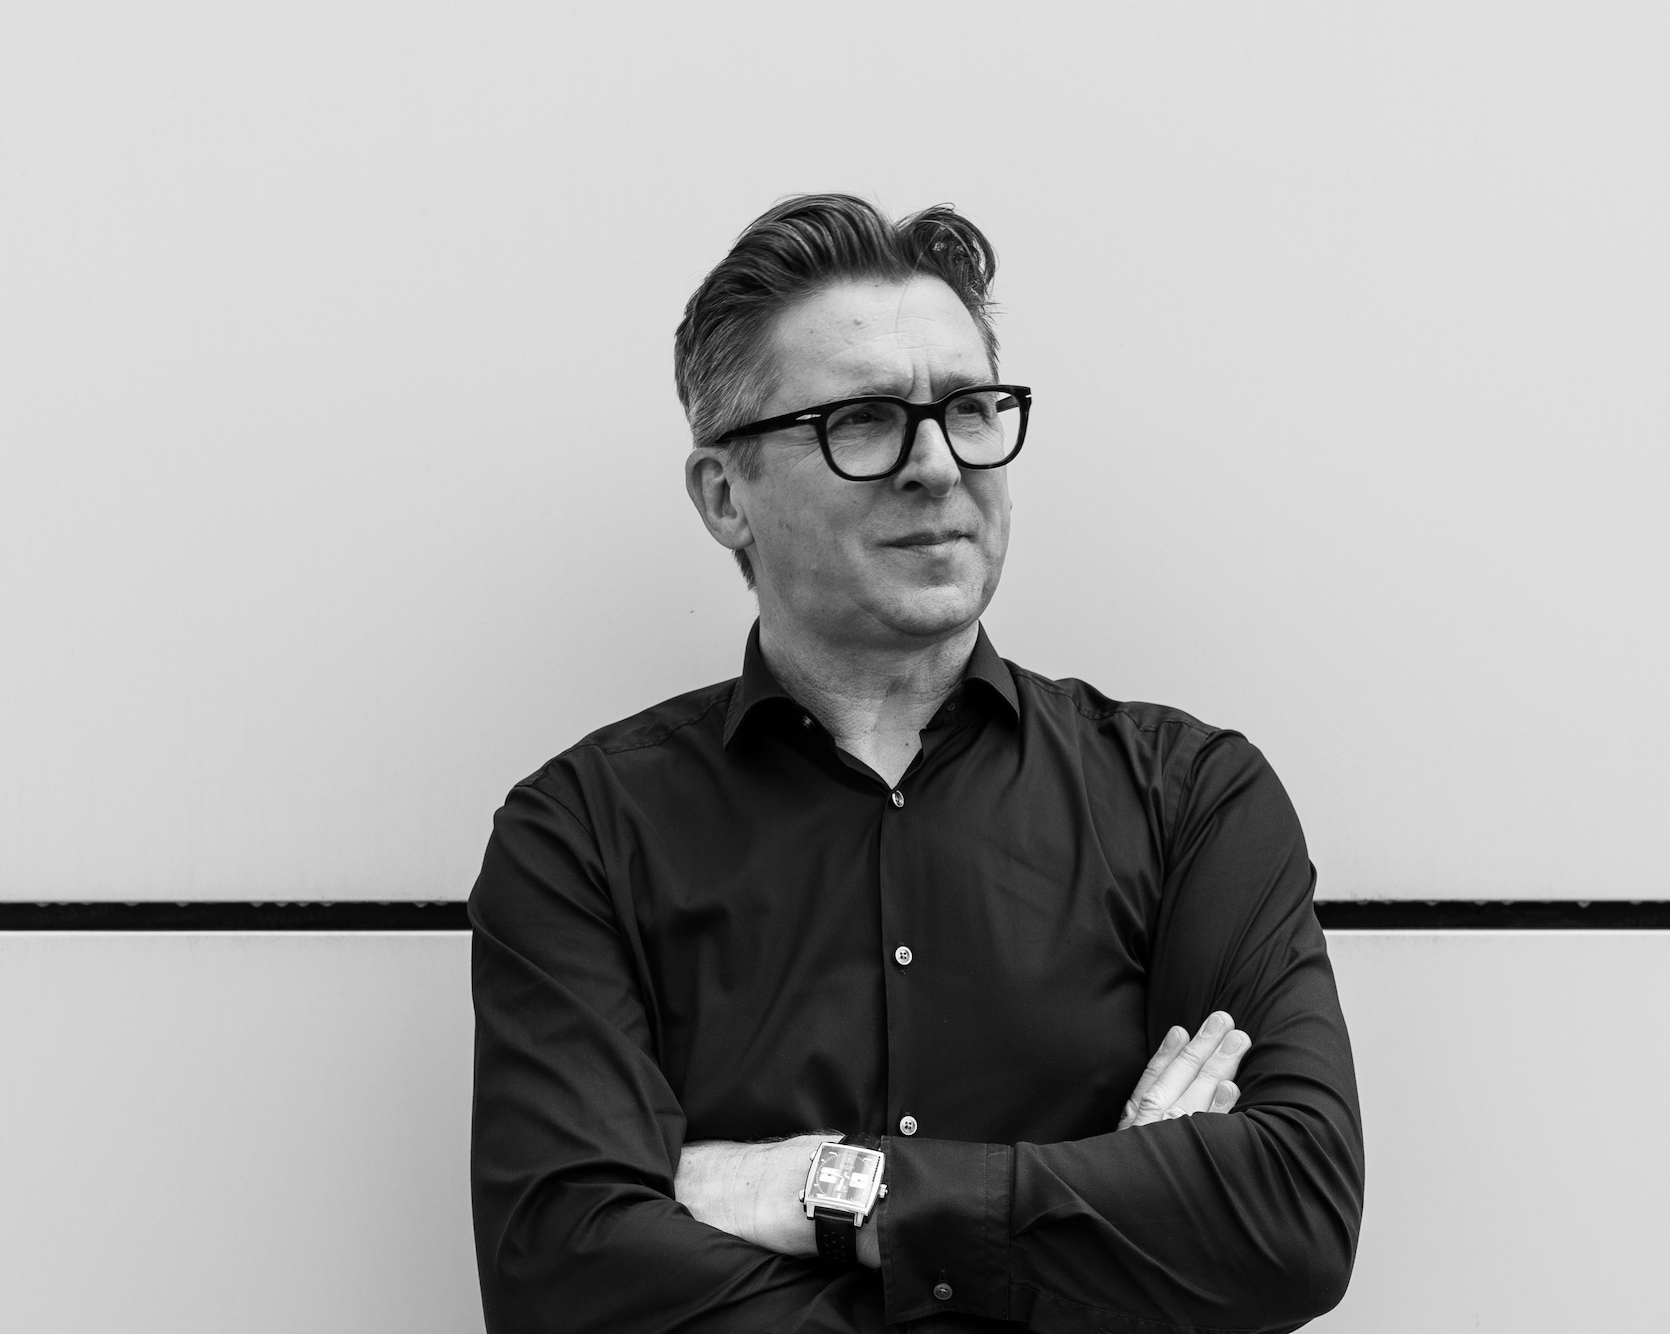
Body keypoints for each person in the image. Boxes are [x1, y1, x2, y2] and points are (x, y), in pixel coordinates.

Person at [468, 194, 1363, 1332]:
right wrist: (1101, 1229)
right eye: (865, 420)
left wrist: (820, 1189)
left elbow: (1289, 1217)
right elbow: (564, 1280)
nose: (938, 464)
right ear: (725, 496)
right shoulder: (582, 835)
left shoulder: (1191, 798)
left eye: (970, 409)